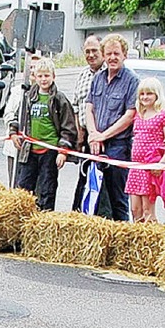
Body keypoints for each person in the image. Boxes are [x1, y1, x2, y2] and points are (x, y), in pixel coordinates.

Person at [9, 58, 77, 211]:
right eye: (40, 76)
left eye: (47, 76)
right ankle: (23, 221)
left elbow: (69, 127)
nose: (43, 79)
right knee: (24, 188)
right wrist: (13, 132)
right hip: (29, 150)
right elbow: (18, 117)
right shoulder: (28, 97)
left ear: (53, 76)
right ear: (35, 76)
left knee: (47, 189)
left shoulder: (59, 99)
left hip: (49, 150)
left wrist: (63, 151)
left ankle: (44, 219)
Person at [86, 33, 139, 221]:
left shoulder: (132, 80)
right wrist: (93, 134)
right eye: (108, 54)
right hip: (96, 146)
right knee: (95, 197)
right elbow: (89, 107)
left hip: (119, 147)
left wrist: (103, 136)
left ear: (124, 54)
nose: (112, 58)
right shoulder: (98, 78)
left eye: (116, 53)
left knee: (118, 200)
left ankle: (120, 242)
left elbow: (130, 115)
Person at [71, 35, 109, 215]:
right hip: (86, 137)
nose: (91, 55)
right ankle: (80, 215)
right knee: (84, 178)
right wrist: (80, 134)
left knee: (104, 187)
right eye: (87, 51)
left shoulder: (109, 73)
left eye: (95, 50)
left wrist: (98, 135)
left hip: (105, 138)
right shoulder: (83, 74)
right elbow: (77, 106)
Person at [124, 78, 165, 222]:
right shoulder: (138, 115)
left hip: (150, 167)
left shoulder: (163, 116)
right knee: (135, 210)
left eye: (149, 93)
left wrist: (161, 164)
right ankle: (138, 239)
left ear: (157, 95)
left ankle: (151, 239)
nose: (145, 97)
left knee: (147, 210)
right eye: (142, 94)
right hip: (136, 167)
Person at [2, 53, 40, 183]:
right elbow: (9, 113)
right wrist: (14, 132)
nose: (33, 70)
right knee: (14, 182)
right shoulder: (17, 91)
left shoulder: (47, 93)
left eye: (36, 67)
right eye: (31, 67)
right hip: (16, 145)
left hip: (36, 149)